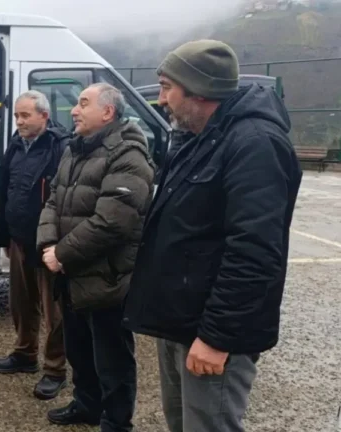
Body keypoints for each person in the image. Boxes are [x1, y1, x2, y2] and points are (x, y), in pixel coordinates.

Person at [122, 40, 302, 432]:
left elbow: (254, 252)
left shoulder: (255, 144)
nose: (161, 100)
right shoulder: (199, 137)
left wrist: (217, 338)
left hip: (210, 333)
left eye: (167, 87)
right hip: (180, 324)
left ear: (199, 90)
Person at [36, 83, 155, 431]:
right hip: (72, 272)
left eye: (83, 103)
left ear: (107, 112)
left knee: (112, 358)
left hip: (107, 277)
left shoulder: (128, 154)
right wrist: (49, 244)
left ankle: (116, 422)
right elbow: (53, 199)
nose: (74, 110)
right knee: (79, 349)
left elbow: (113, 221)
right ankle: (87, 405)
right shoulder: (75, 149)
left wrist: (62, 253)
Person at [0, 90, 70, 399]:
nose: (19, 122)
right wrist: (4, 236)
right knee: (22, 303)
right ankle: (25, 353)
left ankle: (55, 369)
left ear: (44, 116)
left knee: (54, 311)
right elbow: (5, 191)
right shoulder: (16, 145)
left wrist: (59, 245)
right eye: (17, 116)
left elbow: (64, 199)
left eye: (25, 116)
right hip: (19, 238)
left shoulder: (60, 147)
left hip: (48, 243)